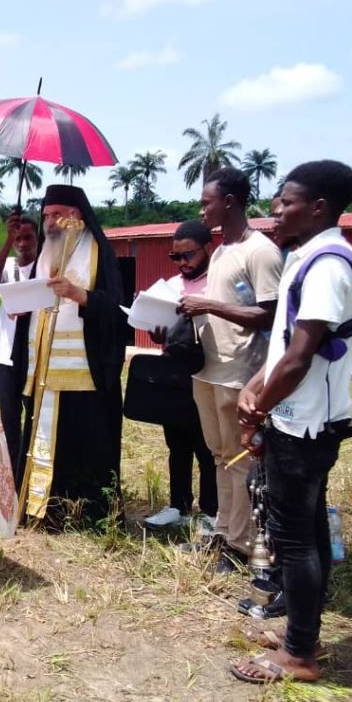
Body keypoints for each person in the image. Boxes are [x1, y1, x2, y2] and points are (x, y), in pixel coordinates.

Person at [232, 160, 352, 684]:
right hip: (293, 415)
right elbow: (284, 346)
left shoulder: (330, 264)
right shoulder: (304, 256)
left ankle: (300, 656)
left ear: (318, 208)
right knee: (303, 532)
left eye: (286, 202)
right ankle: (299, 635)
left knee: (296, 538)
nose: (276, 210)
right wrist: (254, 385)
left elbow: (300, 357)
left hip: (306, 424)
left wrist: (260, 405)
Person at [179, 168, 282, 571]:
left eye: (207, 202)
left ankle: (242, 544)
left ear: (230, 202)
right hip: (208, 368)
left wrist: (208, 305)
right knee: (221, 456)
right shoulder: (222, 250)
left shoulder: (261, 251)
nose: (202, 210)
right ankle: (225, 532)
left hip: (240, 372)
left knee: (242, 460)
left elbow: (269, 315)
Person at [15, 185, 126, 526]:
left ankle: (84, 512)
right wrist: (19, 307)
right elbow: (36, 302)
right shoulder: (46, 254)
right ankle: (41, 508)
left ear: (75, 215)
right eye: (45, 215)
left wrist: (81, 295)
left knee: (83, 445)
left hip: (84, 374)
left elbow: (120, 311)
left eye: (54, 214)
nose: (47, 222)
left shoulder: (100, 253)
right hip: (44, 370)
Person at [144, 221, 218, 529]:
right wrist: (158, 334)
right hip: (174, 374)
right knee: (177, 443)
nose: (182, 263)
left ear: (207, 249)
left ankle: (212, 513)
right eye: (176, 257)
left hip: (209, 373)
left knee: (208, 446)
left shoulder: (217, 284)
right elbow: (162, 328)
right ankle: (179, 506)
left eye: (188, 256)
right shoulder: (171, 287)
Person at [0, 211, 39, 478]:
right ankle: (12, 477)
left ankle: (29, 475)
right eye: (18, 238)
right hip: (4, 354)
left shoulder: (45, 267)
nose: (22, 243)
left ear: (38, 238)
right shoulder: (8, 266)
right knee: (9, 419)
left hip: (32, 354)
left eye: (27, 237)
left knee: (32, 417)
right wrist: (7, 239)